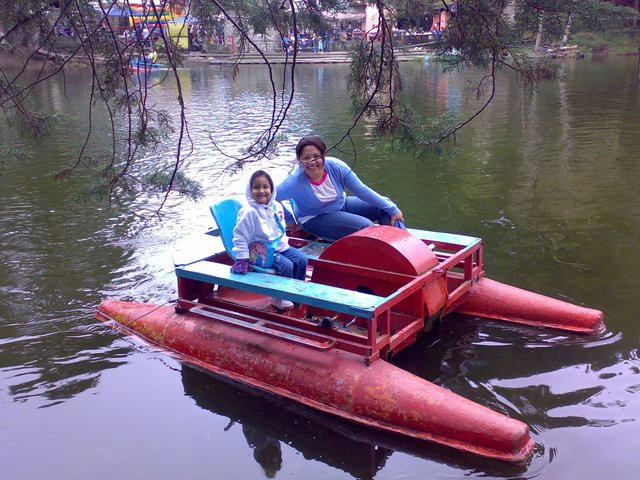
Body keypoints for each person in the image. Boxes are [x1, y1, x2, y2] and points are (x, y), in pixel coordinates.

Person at [276, 135, 405, 242]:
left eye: (317, 156)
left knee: (385, 206)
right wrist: (289, 220)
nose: (312, 161)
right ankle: (384, 259)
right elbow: (272, 197)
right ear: (299, 160)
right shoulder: (294, 182)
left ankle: (404, 246)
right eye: (306, 158)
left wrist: (393, 209)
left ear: (324, 155)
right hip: (314, 218)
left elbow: (362, 190)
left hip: (341, 205)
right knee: (366, 227)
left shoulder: (336, 167)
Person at [231, 170, 308, 310]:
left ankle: (296, 291)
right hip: (259, 251)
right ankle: (279, 297)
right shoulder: (249, 212)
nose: (262, 191)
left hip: (279, 247)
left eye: (265, 187)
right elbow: (240, 235)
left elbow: (280, 229)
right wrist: (242, 258)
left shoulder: (276, 206)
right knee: (287, 266)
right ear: (250, 190)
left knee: (302, 259)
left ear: (272, 189)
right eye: (256, 187)